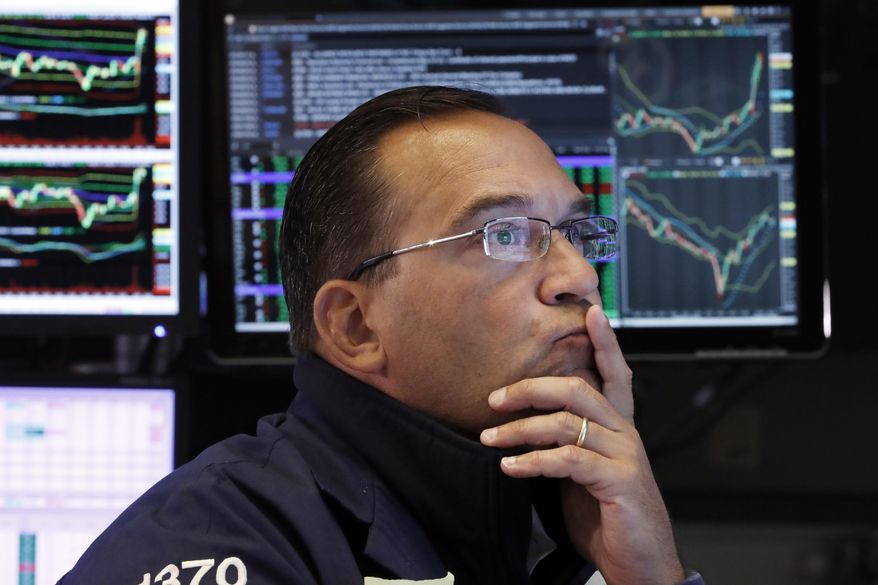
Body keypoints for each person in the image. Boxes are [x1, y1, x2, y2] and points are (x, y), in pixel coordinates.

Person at [59, 86, 703, 585]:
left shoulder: (558, 522)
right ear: (355, 327)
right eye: (504, 235)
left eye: (576, 234)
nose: (579, 276)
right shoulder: (221, 544)